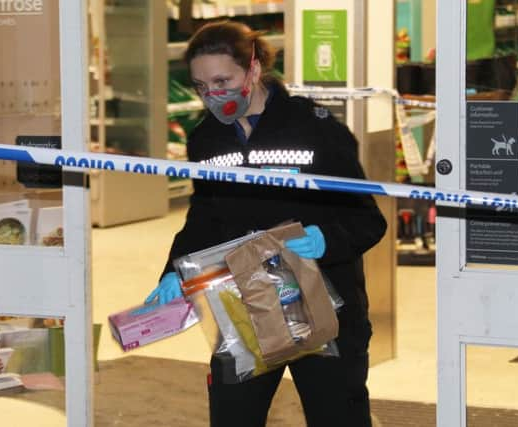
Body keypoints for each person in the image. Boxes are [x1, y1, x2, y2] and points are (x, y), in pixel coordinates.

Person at [143, 21, 387, 427]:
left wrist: (327, 239)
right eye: (201, 86)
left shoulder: (314, 127)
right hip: (246, 302)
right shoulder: (206, 139)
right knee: (232, 414)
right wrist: (175, 270)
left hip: (324, 305)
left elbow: (367, 218)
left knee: (337, 415)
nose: (213, 95)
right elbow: (204, 216)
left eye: (223, 80)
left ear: (253, 69)